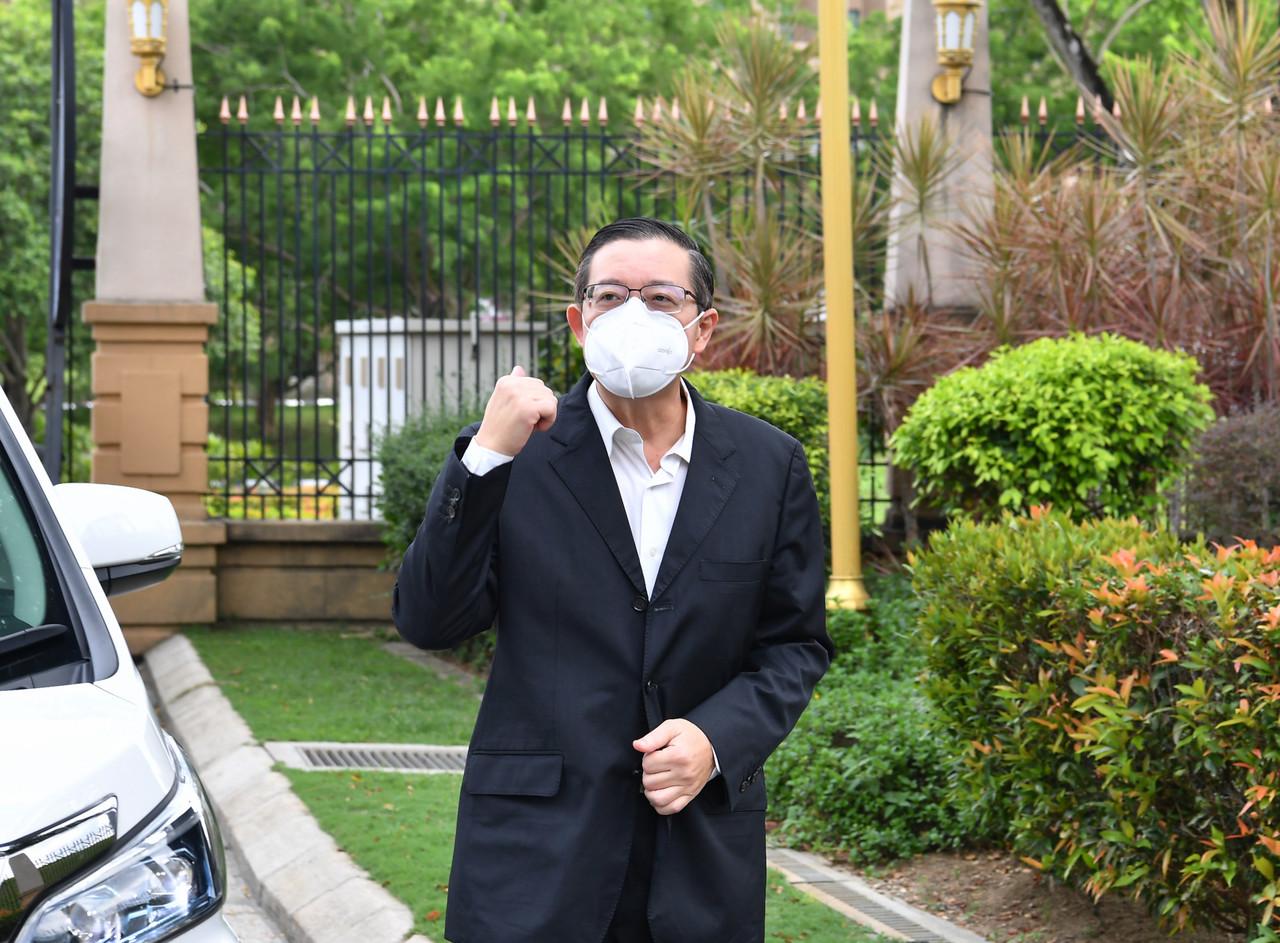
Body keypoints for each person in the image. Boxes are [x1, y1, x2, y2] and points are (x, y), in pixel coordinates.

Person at [392, 217, 832, 943]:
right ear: (578, 320)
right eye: (609, 296)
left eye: (662, 298)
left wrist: (714, 739)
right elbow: (429, 619)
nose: (634, 315)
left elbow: (794, 646)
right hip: (535, 864)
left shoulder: (767, 464)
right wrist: (481, 461)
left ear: (704, 329)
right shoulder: (516, 455)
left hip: (698, 861)